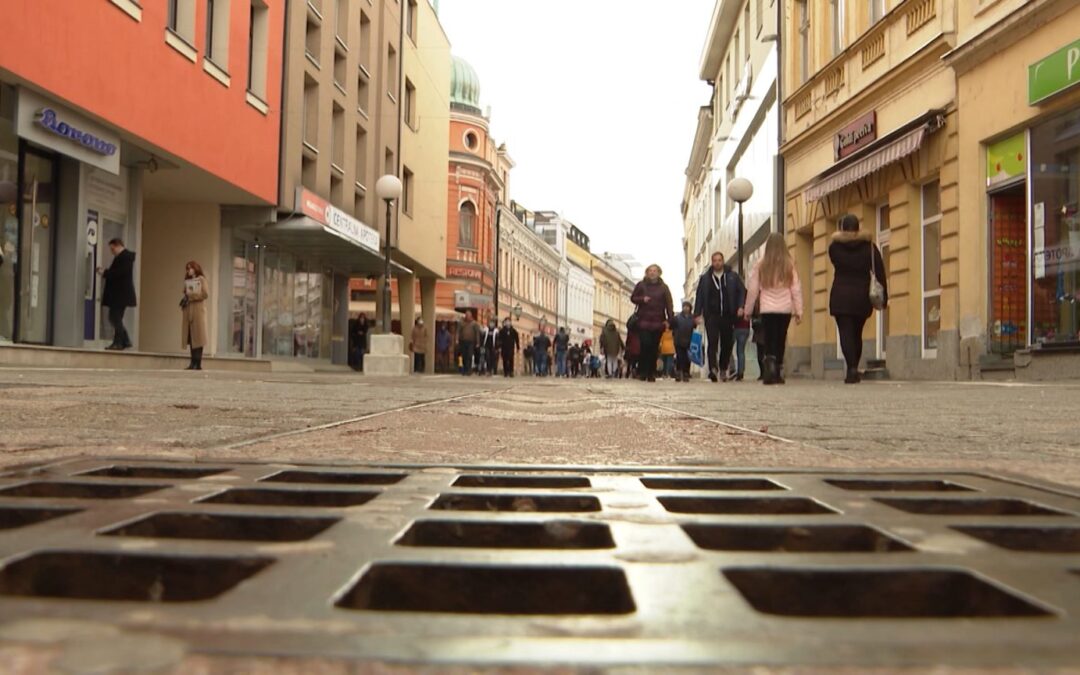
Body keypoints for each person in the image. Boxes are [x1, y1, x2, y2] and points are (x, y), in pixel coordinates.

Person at [830, 213, 889, 384]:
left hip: (841, 296)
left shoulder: (834, 248)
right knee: (857, 333)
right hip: (861, 296)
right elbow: (880, 271)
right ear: (858, 228)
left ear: (842, 229)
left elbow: (835, 260)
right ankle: (854, 367)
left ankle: (851, 368)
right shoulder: (869, 247)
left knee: (845, 333)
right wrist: (884, 296)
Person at [743, 233, 803, 385]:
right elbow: (796, 289)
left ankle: (769, 369)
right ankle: (778, 370)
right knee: (780, 338)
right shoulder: (789, 264)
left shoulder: (761, 264)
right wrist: (799, 310)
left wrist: (748, 310)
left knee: (769, 339)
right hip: (785, 309)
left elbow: (753, 289)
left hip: (767, 308)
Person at [693, 251, 746, 383]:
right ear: (712, 262)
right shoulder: (705, 278)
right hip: (712, 316)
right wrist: (697, 314)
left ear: (723, 261)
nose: (717, 262)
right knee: (712, 342)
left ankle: (723, 367)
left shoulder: (732, 276)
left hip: (728, 315)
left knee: (727, 343)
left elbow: (742, 292)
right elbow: (699, 296)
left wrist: (740, 306)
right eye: (715, 260)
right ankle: (713, 369)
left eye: (719, 260)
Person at [630, 264, 675, 383]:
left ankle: (651, 373)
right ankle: (642, 371)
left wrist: (669, 320)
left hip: (658, 322)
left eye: (655, 271)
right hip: (643, 321)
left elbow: (669, 304)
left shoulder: (664, 288)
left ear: (659, 273)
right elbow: (633, 297)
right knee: (645, 345)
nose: (652, 273)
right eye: (650, 270)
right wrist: (642, 299)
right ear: (647, 272)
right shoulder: (641, 285)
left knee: (654, 347)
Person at [98, 238, 136, 351]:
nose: (112, 251)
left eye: (112, 248)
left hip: (121, 294)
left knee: (114, 317)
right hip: (120, 294)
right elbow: (118, 273)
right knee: (115, 317)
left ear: (118, 245)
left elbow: (119, 273)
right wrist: (106, 272)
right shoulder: (122, 257)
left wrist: (105, 272)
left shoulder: (125, 257)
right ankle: (123, 341)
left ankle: (120, 342)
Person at [180, 261, 209, 370]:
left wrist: (192, 296)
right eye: (187, 268)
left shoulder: (201, 279)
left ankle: (198, 362)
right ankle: (192, 362)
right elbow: (185, 293)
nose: (189, 270)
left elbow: (205, 294)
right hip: (189, 310)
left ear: (196, 268)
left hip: (198, 311)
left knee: (198, 337)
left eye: (191, 268)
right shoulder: (187, 280)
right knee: (191, 337)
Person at [672, 301, 696, 383]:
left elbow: (695, 327)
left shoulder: (692, 318)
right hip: (678, 340)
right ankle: (678, 372)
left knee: (687, 358)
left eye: (687, 306)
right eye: (684, 306)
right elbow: (673, 327)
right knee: (680, 357)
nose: (686, 308)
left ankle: (686, 373)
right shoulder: (677, 317)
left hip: (688, 340)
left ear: (690, 308)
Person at [458, 311, 480, 376]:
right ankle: (464, 370)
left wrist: (478, 342)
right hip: (463, 341)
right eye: (466, 315)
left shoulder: (474, 324)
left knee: (469, 356)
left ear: (471, 316)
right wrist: (457, 339)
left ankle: (469, 370)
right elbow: (458, 331)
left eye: (468, 315)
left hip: (471, 342)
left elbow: (477, 333)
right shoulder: (462, 323)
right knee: (464, 356)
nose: (467, 317)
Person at [731, 311, 751, 382]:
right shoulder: (747, 303)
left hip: (735, 327)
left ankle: (732, 369)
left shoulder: (736, 301)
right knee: (741, 351)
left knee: (728, 349)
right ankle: (741, 372)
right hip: (745, 328)